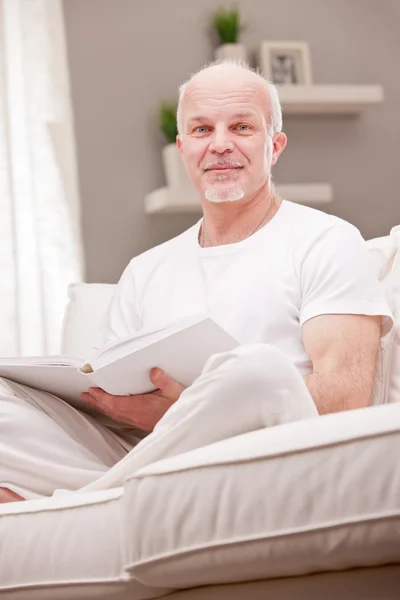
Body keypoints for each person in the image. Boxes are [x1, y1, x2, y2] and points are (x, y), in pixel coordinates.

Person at [0, 60, 392, 503]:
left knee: (256, 370)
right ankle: (114, 499)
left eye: (242, 127)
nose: (220, 145)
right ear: (183, 147)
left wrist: (188, 410)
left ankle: (90, 503)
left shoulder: (326, 240)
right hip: (147, 456)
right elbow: (115, 406)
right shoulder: (146, 269)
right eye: (202, 130)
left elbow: (345, 396)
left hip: (265, 461)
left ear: (275, 145)